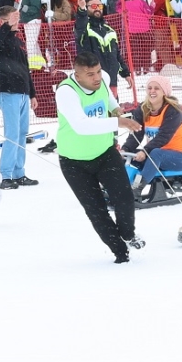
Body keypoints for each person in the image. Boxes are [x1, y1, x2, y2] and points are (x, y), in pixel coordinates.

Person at [54, 49, 143, 262]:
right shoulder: (66, 91)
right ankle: (120, 252)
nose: (96, 78)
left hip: (104, 152)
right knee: (96, 209)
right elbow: (81, 126)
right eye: (90, 74)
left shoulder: (102, 79)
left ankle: (128, 234)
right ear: (77, 75)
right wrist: (118, 123)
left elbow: (108, 100)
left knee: (124, 198)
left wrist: (117, 111)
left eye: (98, 71)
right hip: (74, 161)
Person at [0, 3, 37, 188]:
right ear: (3, 22)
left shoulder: (18, 41)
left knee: (22, 134)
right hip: (9, 93)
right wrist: (7, 26)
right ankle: (5, 175)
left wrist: (32, 93)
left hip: (23, 94)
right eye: (13, 19)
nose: (18, 22)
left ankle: (19, 173)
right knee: (12, 134)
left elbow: (26, 69)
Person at [123, 74, 182, 183]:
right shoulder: (142, 109)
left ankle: (138, 188)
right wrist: (125, 149)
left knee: (156, 153)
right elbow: (136, 134)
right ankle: (117, 186)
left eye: (157, 88)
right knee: (125, 155)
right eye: (150, 88)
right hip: (154, 154)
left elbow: (163, 137)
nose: (152, 91)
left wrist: (145, 152)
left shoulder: (173, 111)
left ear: (164, 92)